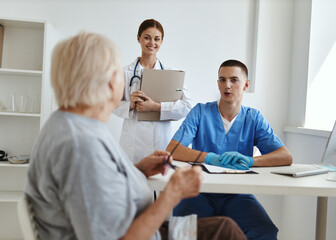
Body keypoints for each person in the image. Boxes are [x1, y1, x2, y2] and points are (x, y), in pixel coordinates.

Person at [25, 32, 246, 240]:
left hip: (138, 225)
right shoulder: (80, 145)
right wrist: (173, 193)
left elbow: (98, 186)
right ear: (111, 83)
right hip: (138, 231)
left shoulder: (72, 124)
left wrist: (138, 169)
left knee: (225, 227)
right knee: (226, 231)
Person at [166, 59, 293, 240]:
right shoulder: (200, 112)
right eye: (222, 80)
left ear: (246, 85)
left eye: (234, 80)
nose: (227, 85)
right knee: (183, 232)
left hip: (237, 194)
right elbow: (173, 149)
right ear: (218, 83)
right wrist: (209, 157)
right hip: (197, 191)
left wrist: (251, 161)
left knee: (265, 232)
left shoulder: (253, 118)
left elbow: (285, 156)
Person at [113, 19, 192, 163]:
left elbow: (187, 107)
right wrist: (129, 104)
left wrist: (157, 107)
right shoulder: (124, 73)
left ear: (162, 41)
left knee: (159, 184)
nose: (152, 43)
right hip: (132, 145)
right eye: (147, 37)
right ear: (138, 38)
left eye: (157, 39)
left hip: (159, 142)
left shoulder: (171, 74)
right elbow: (110, 104)